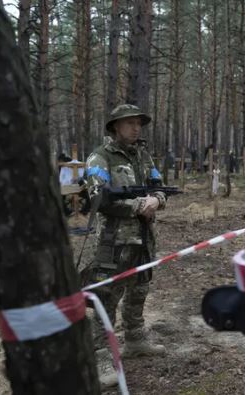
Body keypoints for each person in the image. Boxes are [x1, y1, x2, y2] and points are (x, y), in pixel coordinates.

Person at [84, 104, 167, 384]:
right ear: (115, 127)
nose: (136, 128)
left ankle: (134, 339)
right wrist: (136, 206)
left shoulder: (143, 156)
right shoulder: (100, 158)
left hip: (143, 238)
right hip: (113, 241)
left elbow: (159, 186)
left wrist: (156, 199)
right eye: (129, 123)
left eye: (138, 123)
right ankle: (100, 358)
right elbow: (99, 198)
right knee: (106, 297)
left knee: (140, 289)